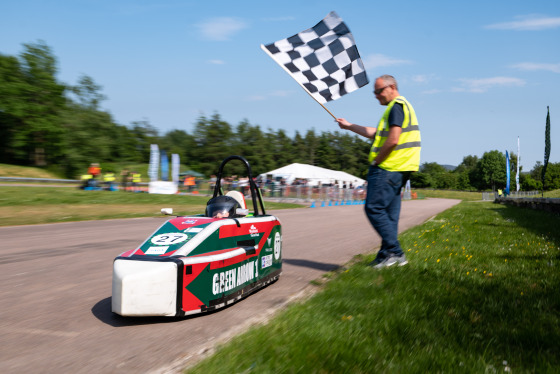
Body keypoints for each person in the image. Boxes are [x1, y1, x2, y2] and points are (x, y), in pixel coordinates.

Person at [336, 74, 421, 269]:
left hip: (388, 167)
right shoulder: (401, 107)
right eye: (374, 92)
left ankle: (396, 253)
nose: (376, 96)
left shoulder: (396, 107)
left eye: (378, 91)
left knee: (373, 209)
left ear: (392, 87)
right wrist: (349, 126)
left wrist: (377, 161)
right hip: (401, 168)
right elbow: (375, 133)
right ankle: (386, 255)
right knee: (390, 215)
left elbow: (393, 140)